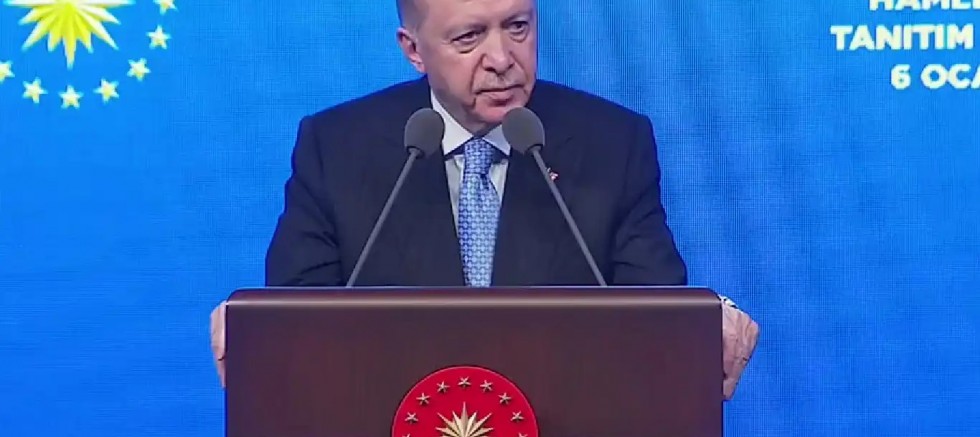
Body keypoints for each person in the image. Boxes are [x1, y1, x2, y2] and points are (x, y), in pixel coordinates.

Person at [210, 0, 759, 399]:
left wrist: (705, 321)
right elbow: (298, 312)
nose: (502, 58)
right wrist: (258, 327)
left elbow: (655, 306)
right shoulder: (337, 147)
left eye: (518, 26)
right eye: (469, 37)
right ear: (413, 50)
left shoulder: (612, 141)